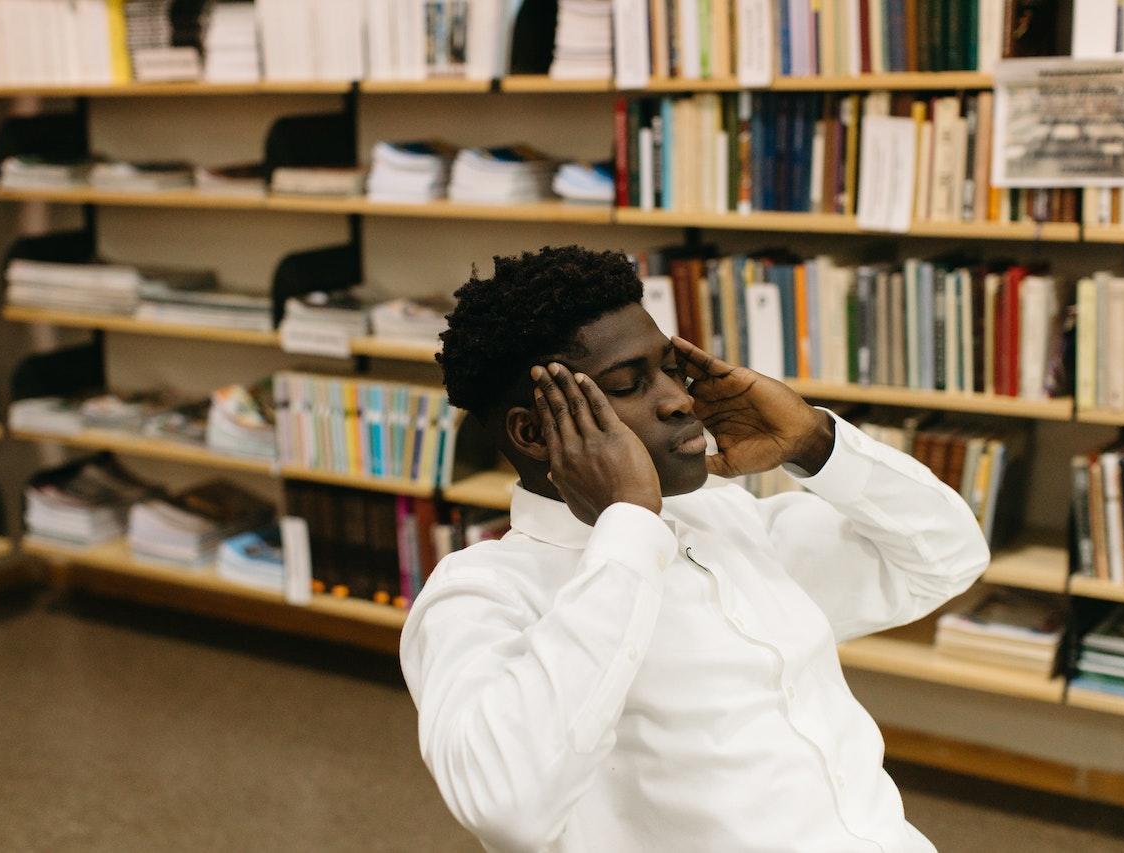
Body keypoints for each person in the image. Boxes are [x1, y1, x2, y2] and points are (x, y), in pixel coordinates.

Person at [399, 245, 990, 852]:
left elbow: (946, 559)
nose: (680, 399)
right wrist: (628, 523)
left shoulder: (723, 518)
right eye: (627, 384)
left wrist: (815, 442)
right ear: (534, 432)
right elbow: (505, 807)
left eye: (672, 369)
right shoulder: (481, 596)